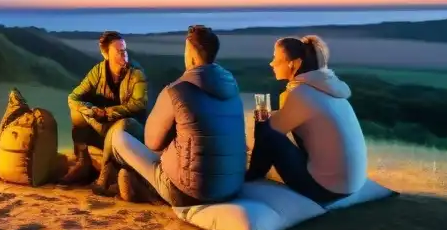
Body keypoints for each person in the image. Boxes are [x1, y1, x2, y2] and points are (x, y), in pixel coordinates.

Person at [102, 25, 246, 205]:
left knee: (118, 137)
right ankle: (135, 183)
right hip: (231, 188)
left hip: (187, 192)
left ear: (192, 55)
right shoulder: (232, 90)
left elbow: (152, 143)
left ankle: (129, 185)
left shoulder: (176, 91)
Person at [245, 35, 367, 204]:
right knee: (269, 126)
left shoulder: (300, 93)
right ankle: (255, 173)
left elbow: (271, 134)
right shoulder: (328, 88)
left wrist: (261, 116)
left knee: (267, 129)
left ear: (294, 63)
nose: (271, 63)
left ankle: (252, 176)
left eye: (276, 58)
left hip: (326, 190)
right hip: (352, 184)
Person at [61, 30, 148, 186]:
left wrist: (109, 112)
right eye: (118, 50)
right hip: (103, 124)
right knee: (77, 113)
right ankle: (83, 163)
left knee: (120, 126)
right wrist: (91, 110)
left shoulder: (136, 74)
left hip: (129, 129)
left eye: (125, 49)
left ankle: (106, 176)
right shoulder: (98, 72)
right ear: (105, 54)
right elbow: (73, 97)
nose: (124, 53)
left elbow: (139, 104)